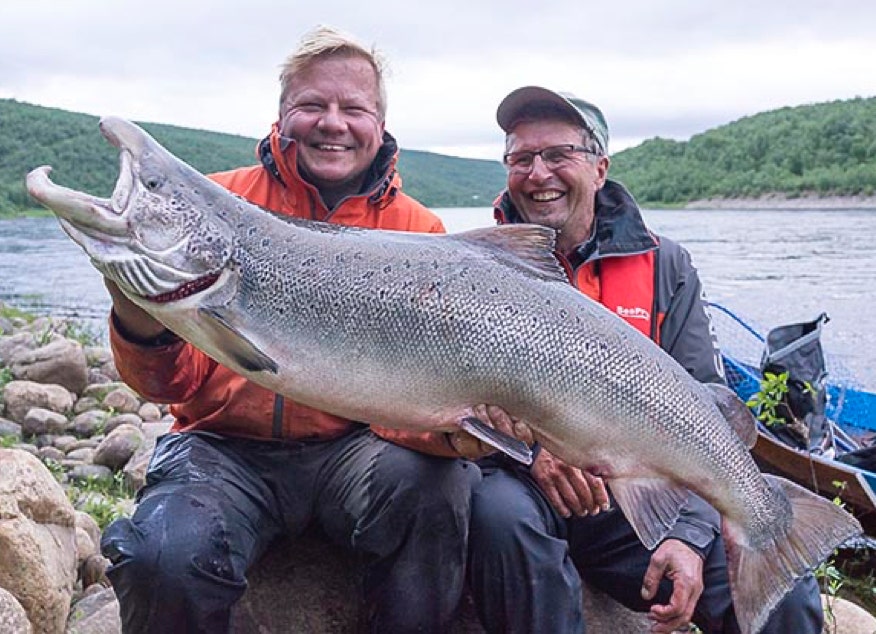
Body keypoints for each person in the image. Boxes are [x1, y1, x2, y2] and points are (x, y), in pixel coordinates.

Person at [99, 26, 481, 634]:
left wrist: (463, 432)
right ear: (282, 116)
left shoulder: (420, 235)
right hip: (222, 448)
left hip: (354, 450)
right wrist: (139, 318)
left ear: (380, 124)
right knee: (162, 556)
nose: (333, 123)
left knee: (438, 489)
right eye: (312, 105)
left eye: (354, 108)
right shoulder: (217, 201)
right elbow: (170, 386)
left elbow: (415, 397)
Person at [465, 86, 824, 634]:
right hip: (525, 489)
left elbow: (708, 406)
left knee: (788, 600)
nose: (538, 173)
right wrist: (536, 452)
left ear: (600, 168)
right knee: (497, 518)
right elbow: (445, 401)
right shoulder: (473, 266)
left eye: (558, 154)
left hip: (638, 505)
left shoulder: (666, 266)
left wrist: (690, 534)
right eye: (521, 158)